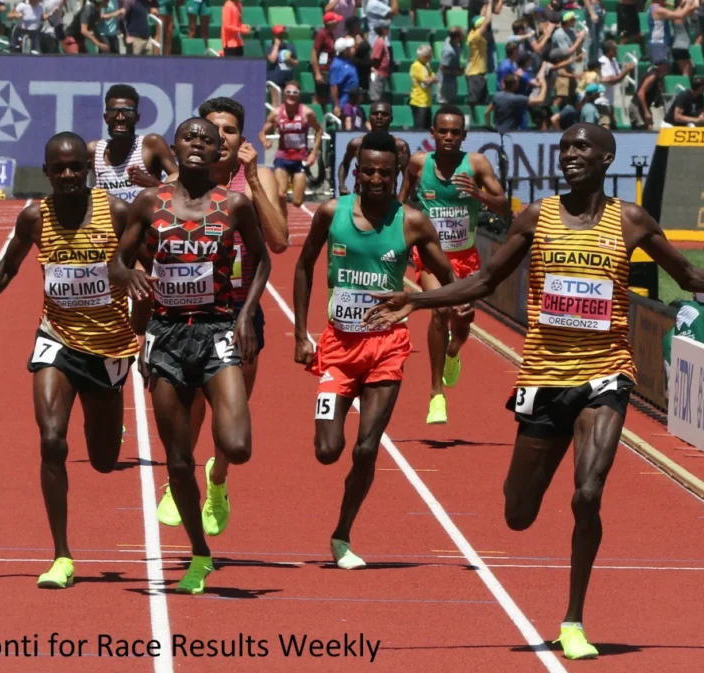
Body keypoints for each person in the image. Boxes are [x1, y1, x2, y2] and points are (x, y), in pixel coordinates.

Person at [363, 123, 704, 660]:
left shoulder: (630, 220)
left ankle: (574, 619)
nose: (571, 154)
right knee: (518, 513)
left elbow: (690, 273)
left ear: (607, 159)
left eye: (583, 147)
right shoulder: (537, 216)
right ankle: (534, 512)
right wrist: (419, 302)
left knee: (588, 493)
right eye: (566, 148)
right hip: (544, 375)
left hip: (605, 373)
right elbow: (486, 282)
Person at [0, 133, 139, 590]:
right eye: (60, 168)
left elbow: (144, 269)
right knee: (53, 441)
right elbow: (9, 265)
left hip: (109, 345)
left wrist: (147, 329)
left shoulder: (115, 212)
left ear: (88, 171)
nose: (69, 175)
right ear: (47, 172)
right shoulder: (36, 216)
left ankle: (109, 423)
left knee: (103, 462)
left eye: (76, 167)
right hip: (55, 338)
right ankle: (61, 555)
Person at [110, 118, 271, 594]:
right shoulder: (151, 202)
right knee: (177, 460)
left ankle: (216, 479)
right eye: (189, 138)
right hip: (165, 335)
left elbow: (263, 258)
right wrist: (131, 277)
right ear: (175, 148)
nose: (199, 144)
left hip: (218, 328)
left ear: (220, 148)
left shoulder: (234, 205)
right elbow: (115, 261)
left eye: (208, 139)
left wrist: (246, 315)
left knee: (237, 445)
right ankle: (200, 552)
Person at [293, 131, 464, 569]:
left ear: (395, 176)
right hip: (338, 347)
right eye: (367, 170)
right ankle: (341, 524)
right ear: (356, 171)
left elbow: (447, 274)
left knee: (367, 447)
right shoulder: (333, 212)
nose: (375, 178)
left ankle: (342, 535)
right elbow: (303, 266)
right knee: (327, 450)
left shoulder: (411, 222)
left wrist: (456, 300)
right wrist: (300, 334)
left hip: (388, 346)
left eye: (384, 173)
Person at [152, 96, 289, 529]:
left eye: (230, 130)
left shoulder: (258, 177)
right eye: (214, 129)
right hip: (188, 314)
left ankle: (218, 479)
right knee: (189, 406)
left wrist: (250, 177)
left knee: (232, 416)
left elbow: (280, 241)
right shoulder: (180, 182)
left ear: (241, 139)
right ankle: (179, 479)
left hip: (240, 313)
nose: (221, 137)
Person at [399, 105, 509, 424]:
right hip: (431, 258)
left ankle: (454, 350)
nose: (448, 137)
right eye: (442, 131)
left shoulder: (476, 164)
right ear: (432, 134)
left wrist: (479, 194)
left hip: (465, 258)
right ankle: (436, 395)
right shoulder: (419, 164)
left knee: (462, 321)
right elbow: (401, 202)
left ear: (464, 136)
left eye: (455, 132)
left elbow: (504, 206)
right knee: (439, 310)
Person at [87, 84, 178, 204]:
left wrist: (153, 184)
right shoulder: (94, 150)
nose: (120, 118)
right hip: (110, 222)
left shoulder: (151, 144)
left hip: (145, 221)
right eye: (113, 112)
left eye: (128, 112)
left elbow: (184, 191)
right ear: (106, 118)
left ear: (137, 118)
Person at [259, 81, 324, 221]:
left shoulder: (307, 113)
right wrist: (265, 141)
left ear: (299, 95)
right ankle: (283, 219)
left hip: (300, 159)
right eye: (288, 92)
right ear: (284, 94)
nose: (291, 95)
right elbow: (262, 132)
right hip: (282, 158)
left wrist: (314, 153)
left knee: (297, 201)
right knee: (280, 194)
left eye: (295, 93)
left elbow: (319, 130)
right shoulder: (276, 113)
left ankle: (285, 213)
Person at [336, 102, 410, 196]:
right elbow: (345, 164)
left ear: (391, 119)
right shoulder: (356, 144)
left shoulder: (400, 146)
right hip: (361, 199)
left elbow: (409, 174)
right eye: (375, 114)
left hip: (389, 201)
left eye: (384, 114)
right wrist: (342, 184)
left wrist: (403, 197)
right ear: (369, 118)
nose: (379, 117)